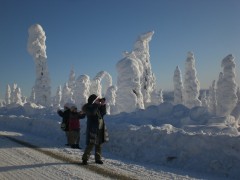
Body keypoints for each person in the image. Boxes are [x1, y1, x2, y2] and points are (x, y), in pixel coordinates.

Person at [81, 94, 109, 165]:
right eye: (97, 99)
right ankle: (85, 159)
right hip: (92, 128)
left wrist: (103, 105)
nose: (98, 101)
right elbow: (92, 113)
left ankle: (98, 159)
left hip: (99, 128)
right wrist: (96, 105)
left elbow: (103, 113)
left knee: (99, 144)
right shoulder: (88, 107)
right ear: (93, 101)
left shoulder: (97, 106)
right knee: (91, 144)